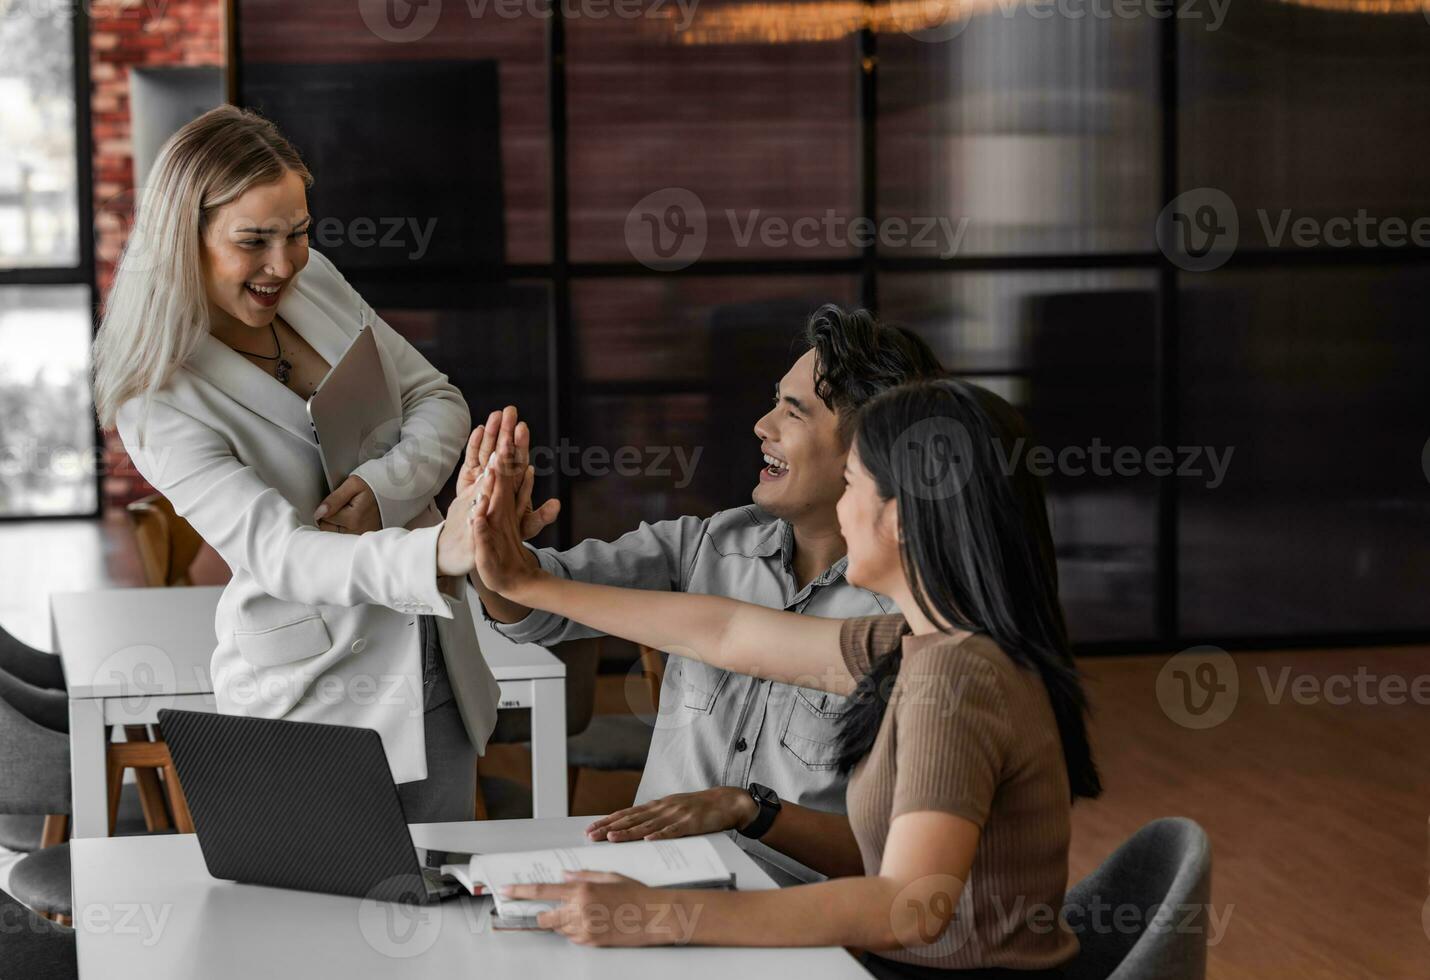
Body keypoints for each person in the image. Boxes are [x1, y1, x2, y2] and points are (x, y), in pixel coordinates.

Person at [465, 378, 1102, 979]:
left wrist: (657, 914)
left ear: (903, 517)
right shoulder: (921, 644)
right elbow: (725, 634)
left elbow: (908, 906)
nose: (841, 513)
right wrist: (526, 581)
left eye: (852, 485)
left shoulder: (956, 677)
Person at [92, 105, 498, 822]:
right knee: (314, 927)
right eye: (254, 241)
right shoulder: (155, 398)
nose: (284, 264)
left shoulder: (317, 285)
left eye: (299, 233)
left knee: (449, 911)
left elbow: (438, 397)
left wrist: (382, 490)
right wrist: (437, 550)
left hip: (436, 664)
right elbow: (279, 555)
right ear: (183, 241)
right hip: (311, 699)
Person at [468, 306, 943, 882]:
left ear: (868, 453)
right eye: (774, 402)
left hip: (798, 917)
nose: (761, 426)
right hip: (649, 884)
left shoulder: (915, 619)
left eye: (792, 413)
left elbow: (897, 865)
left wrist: (751, 811)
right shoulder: (709, 544)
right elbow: (538, 612)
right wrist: (498, 557)